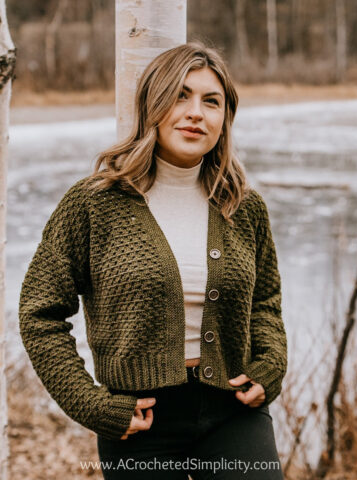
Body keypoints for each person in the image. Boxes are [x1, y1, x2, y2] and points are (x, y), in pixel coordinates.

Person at [19, 41, 287, 479]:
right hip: (139, 421)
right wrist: (90, 403)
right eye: (181, 95)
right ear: (153, 105)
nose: (196, 112)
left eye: (211, 101)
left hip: (233, 409)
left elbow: (266, 302)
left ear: (225, 119)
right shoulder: (94, 204)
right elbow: (40, 313)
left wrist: (270, 365)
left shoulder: (243, 206)